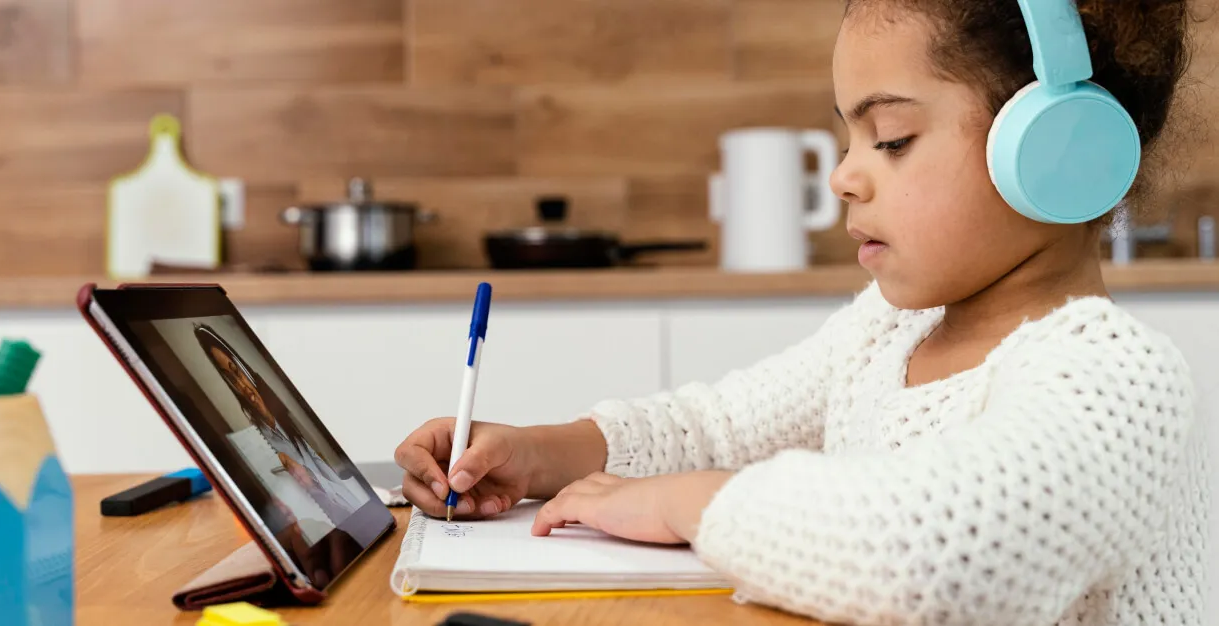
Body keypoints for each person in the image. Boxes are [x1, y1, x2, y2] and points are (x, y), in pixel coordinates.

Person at [394, 1, 1208, 624]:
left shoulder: (1116, 382)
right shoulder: (888, 332)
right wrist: (543, 456)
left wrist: (687, 503)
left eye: (889, 138)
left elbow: (931, 557)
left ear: (1056, 150)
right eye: (848, 140)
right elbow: (718, 427)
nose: (845, 177)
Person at [193, 323, 367, 526]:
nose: (240, 386)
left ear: (244, 368)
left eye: (237, 372)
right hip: (321, 521)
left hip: (347, 509)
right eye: (230, 379)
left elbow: (323, 468)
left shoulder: (285, 417)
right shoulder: (257, 439)